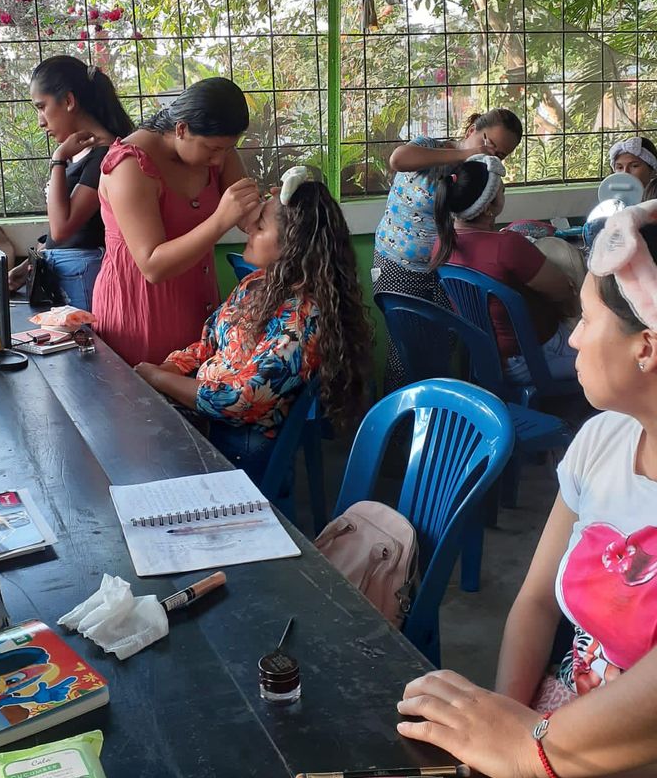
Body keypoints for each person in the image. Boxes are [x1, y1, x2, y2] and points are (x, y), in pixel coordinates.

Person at [398, 199, 657, 778]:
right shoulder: (602, 440)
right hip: (559, 730)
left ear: (646, 347)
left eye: (586, 319)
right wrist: (505, 722)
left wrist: (527, 748)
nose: (573, 340)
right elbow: (537, 601)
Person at [135, 170, 371, 484]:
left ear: (292, 244)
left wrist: (160, 380)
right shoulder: (256, 284)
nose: (248, 229)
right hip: (210, 416)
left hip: (240, 442)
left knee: (144, 463)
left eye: (259, 226)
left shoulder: (300, 320)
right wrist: (164, 370)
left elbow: (240, 400)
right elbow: (207, 345)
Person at [93, 77, 261, 366]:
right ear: (181, 129)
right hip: (141, 313)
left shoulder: (217, 147)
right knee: (146, 391)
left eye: (227, 149)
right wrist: (220, 220)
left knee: (201, 385)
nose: (219, 160)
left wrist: (272, 211)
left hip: (199, 309)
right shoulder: (129, 165)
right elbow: (152, 266)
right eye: (213, 149)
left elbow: (246, 217)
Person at [374, 108, 523, 388]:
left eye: (500, 154)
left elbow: (479, 226)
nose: (490, 154)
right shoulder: (430, 147)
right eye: (488, 143)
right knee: (404, 354)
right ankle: (399, 414)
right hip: (396, 265)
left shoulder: (478, 177)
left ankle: (439, 411)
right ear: (472, 131)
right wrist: (466, 154)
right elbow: (398, 159)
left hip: (444, 271)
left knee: (440, 352)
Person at [430, 155, 577, 384]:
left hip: (484, 360)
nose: (503, 194)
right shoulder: (508, 246)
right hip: (532, 360)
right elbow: (563, 291)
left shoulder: (441, 245)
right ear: (489, 207)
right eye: (502, 191)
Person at [25, 55, 135, 311]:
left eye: (42, 107)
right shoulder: (79, 151)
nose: (41, 121)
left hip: (83, 275)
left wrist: (57, 160)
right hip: (69, 272)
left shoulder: (105, 155)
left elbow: (63, 228)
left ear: (68, 101)